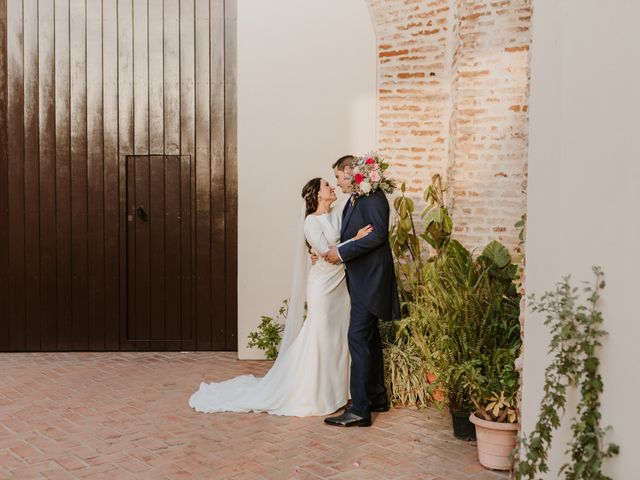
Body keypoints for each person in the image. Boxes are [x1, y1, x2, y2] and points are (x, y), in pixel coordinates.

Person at [188, 178, 372, 416]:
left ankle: (339, 392)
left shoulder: (339, 214)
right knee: (321, 336)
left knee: (338, 338)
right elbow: (327, 252)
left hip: (341, 288)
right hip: (323, 288)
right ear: (317, 194)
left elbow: (337, 243)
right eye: (328, 185)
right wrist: (356, 240)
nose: (333, 187)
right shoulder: (310, 222)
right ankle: (315, 393)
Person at [323, 155, 401, 427]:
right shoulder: (355, 200)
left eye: (338, 177)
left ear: (351, 172)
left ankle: (360, 409)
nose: (337, 183)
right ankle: (376, 397)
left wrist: (342, 253)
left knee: (357, 339)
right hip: (360, 281)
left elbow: (378, 235)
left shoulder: (373, 199)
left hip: (371, 281)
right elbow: (350, 235)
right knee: (368, 340)